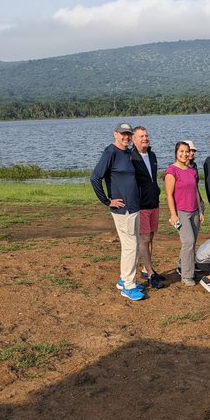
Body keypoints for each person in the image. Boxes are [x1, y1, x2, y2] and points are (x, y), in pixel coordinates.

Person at [89, 122, 146, 300]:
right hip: (123, 210)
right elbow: (95, 177)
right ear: (115, 134)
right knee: (131, 246)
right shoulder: (110, 152)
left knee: (133, 245)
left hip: (134, 207)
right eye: (123, 134)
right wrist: (107, 201)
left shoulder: (128, 152)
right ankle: (128, 287)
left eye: (129, 134)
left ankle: (124, 279)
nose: (126, 137)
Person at [165, 142, 204, 286]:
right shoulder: (171, 171)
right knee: (188, 241)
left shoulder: (191, 170)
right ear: (176, 152)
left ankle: (191, 270)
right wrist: (173, 215)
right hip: (181, 212)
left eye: (187, 151)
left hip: (194, 210)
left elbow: (195, 192)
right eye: (181, 151)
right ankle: (186, 275)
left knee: (192, 242)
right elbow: (169, 195)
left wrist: (200, 210)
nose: (184, 154)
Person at [130, 126, 163, 288]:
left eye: (147, 135)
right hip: (140, 204)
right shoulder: (131, 157)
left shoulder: (152, 155)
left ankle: (145, 268)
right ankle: (150, 273)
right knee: (144, 239)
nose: (145, 138)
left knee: (151, 237)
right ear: (134, 139)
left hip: (153, 201)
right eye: (141, 136)